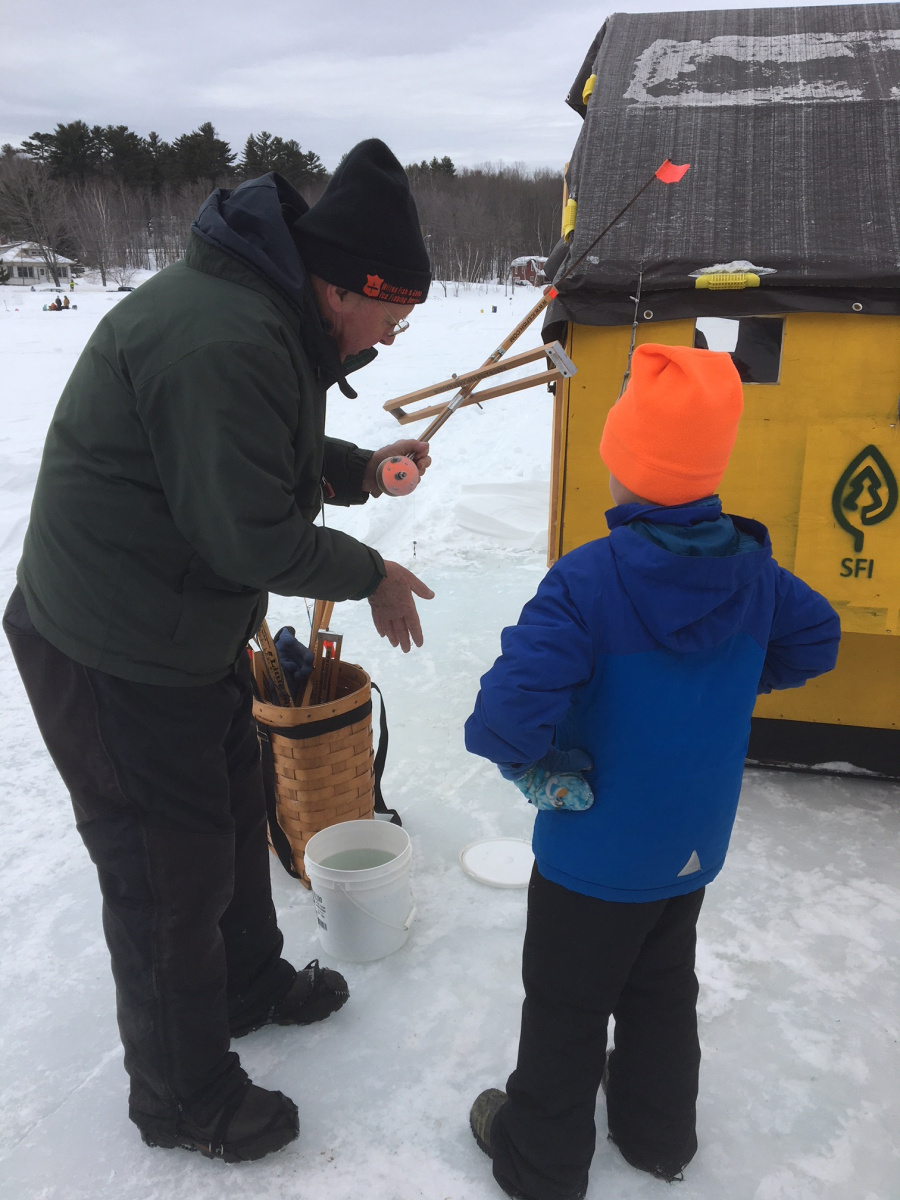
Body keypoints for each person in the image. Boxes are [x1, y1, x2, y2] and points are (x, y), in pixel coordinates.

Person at [4, 139, 434, 1164]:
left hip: (179, 628)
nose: (398, 330)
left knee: (234, 810)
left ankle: (245, 983)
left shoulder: (269, 320)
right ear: (347, 288)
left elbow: (262, 453)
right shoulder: (228, 338)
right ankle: (181, 1094)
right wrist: (368, 571)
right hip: (112, 648)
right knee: (166, 873)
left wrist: (361, 467)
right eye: (396, 311)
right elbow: (247, 533)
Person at [464, 344, 841, 1200]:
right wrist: (738, 680)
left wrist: (541, 764)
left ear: (626, 467)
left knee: (565, 1006)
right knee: (662, 984)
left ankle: (540, 1162)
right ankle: (658, 1135)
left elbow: (502, 719)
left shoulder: (587, 581)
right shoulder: (755, 574)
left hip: (594, 857)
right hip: (689, 847)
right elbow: (816, 637)